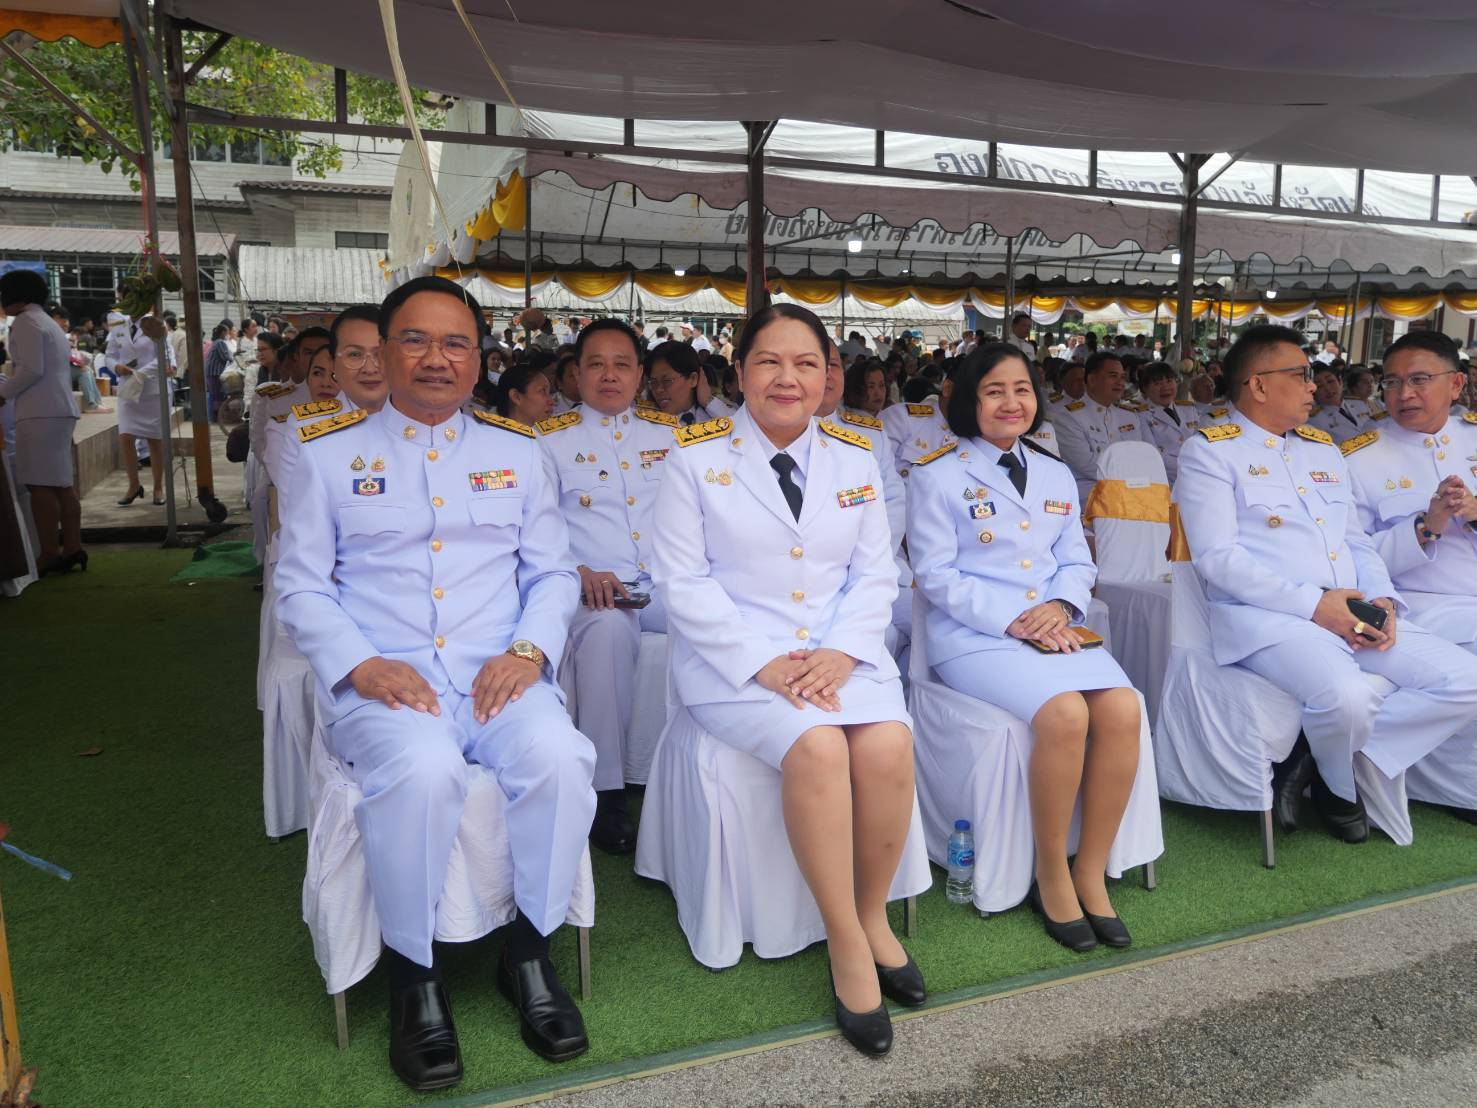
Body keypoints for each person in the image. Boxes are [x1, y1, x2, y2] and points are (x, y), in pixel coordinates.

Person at [275, 276, 596, 1090]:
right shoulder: (327, 455)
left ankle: (528, 956)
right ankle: (414, 977)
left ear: (478, 359)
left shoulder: (516, 453)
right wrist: (360, 664)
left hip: (498, 679)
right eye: (414, 340)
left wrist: (527, 652)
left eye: (455, 343)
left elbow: (553, 574)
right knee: (423, 772)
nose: (435, 358)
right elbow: (301, 584)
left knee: (561, 758)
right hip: (389, 686)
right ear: (382, 354)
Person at [652, 303, 923, 1057]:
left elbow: (877, 572)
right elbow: (682, 581)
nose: (787, 378)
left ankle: (871, 913)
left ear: (826, 375)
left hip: (839, 656)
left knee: (886, 746)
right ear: (737, 372)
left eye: (806, 364)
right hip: (734, 665)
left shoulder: (853, 456)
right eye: (769, 362)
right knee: (817, 749)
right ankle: (845, 943)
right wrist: (762, 662)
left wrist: (842, 651)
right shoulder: (693, 458)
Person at [1174, 324, 1477, 843]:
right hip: (1271, 619)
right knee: (1346, 696)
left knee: (1465, 680)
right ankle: (1340, 793)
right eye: (1301, 374)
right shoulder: (1210, 451)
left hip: (1351, 608)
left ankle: (1330, 765)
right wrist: (1317, 606)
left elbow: (1356, 542)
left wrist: (1382, 599)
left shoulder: (1322, 450)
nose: (1316, 385)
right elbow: (1219, 559)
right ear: (1259, 386)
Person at [907, 342, 1142, 951]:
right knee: (1066, 714)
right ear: (966, 400)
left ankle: (1090, 871)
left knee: (1122, 707)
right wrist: (1016, 619)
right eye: (993, 391)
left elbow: (1075, 559)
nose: (1011, 403)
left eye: (1022, 389)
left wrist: (1060, 608)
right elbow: (935, 575)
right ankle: (1050, 874)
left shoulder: (1055, 471)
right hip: (975, 636)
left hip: (1055, 624)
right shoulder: (936, 474)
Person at [536, 319, 677, 852]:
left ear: (640, 373)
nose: (609, 375)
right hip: (593, 589)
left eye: (622, 364)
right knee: (607, 631)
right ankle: (609, 793)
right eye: (596, 363)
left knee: (724, 619)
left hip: (664, 583)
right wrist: (578, 571)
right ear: (576, 373)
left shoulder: (671, 438)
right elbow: (539, 528)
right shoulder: (548, 441)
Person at [0, 270, 85, 574]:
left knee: (40, 486)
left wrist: (2, 394)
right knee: (62, 484)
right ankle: (73, 547)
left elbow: (31, 370)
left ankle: (50, 552)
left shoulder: (24, 322)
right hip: (58, 410)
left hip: (40, 412)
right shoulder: (47, 321)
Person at [1053, 351, 1150, 500]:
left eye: (1122, 377)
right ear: (1092, 379)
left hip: (1130, 497)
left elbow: (1139, 456)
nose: (1120, 382)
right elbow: (1087, 465)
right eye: (1113, 376)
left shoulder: (1129, 417)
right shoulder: (1068, 417)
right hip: (1090, 502)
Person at [108, 293, 174, 506]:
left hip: (152, 389)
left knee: (155, 440)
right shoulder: (118, 325)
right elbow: (110, 354)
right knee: (126, 436)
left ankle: (158, 487)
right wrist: (115, 366)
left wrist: (140, 373)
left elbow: (165, 357)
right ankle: (133, 485)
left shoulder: (155, 325)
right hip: (128, 389)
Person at [1138, 362, 1204, 481]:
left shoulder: (1189, 409)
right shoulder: (1141, 416)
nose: (1165, 387)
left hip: (1198, 474)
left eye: (1169, 381)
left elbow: (1200, 442)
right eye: (1157, 383)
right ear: (1145, 389)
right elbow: (1153, 455)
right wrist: (1190, 469)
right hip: (1167, 482)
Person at [646, 339, 732, 425]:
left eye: (667, 381)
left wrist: (708, 401)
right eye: (653, 382)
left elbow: (738, 428)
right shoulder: (644, 423)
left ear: (693, 379)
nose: (658, 389)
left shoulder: (717, 415)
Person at [1307, 365, 1368, 443]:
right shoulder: (1314, 421)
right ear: (1313, 393)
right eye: (1319, 386)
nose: (1328, 389)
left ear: (1340, 382)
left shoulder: (1359, 404)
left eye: (1330, 381)